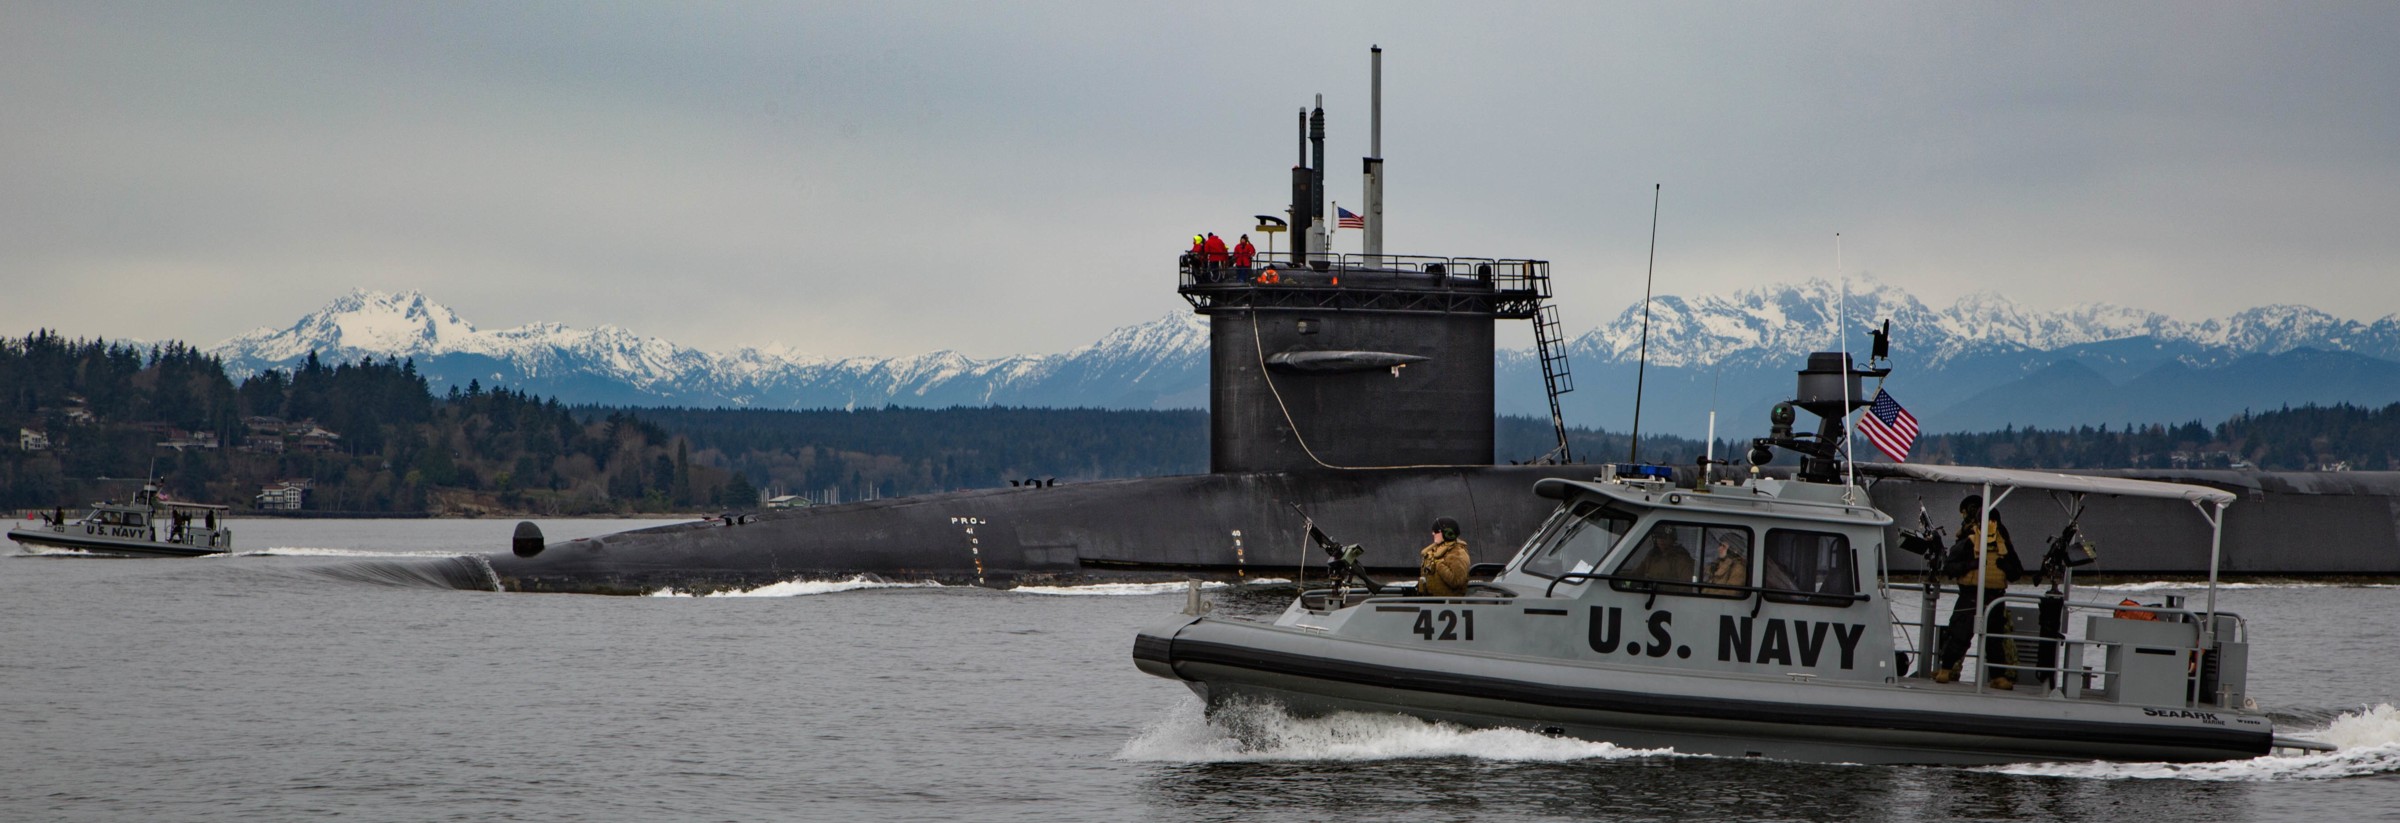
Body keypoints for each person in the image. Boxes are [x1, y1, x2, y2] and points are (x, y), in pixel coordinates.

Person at [1935, 495, 2020, 689]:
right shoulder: (1969, 541)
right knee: (1959, 635)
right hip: (1970, 596)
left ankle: (1998, 675)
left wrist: (2004, 564)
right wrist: (1971, 564)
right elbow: (1950, 567)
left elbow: (2016, 572)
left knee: (1995, 639)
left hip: (1995, 598)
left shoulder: (2004, 545)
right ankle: (1946, 669)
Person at [1419, 516, 1471, 597]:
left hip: (1448, 604)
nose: (1433, 533)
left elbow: (1456, 581)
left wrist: (1439, 564)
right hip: (1432, 601)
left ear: (1447, 533)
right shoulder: (1435, 550)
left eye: (1436, 531)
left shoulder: (1457, 553)